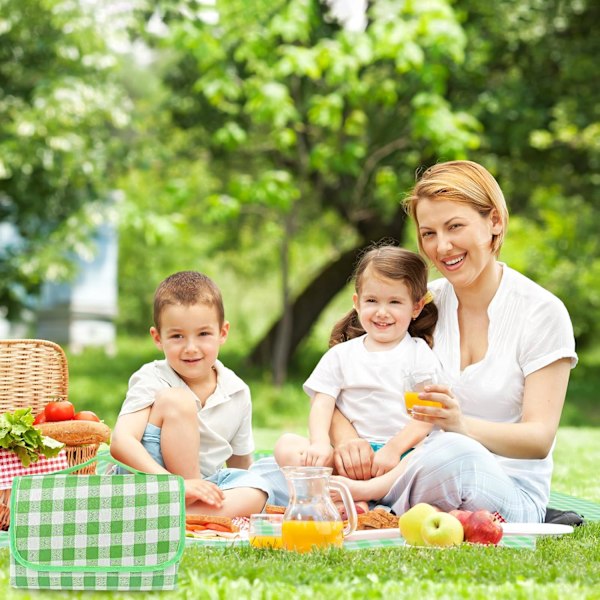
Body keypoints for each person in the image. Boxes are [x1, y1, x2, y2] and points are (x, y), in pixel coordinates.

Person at [330, 160, 577, 523]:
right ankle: (365, 500)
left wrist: (460, 426)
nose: (441, 247)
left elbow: (538, 439)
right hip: (403, 467)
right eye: (428, 233)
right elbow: (337, 374)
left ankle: (364, 499)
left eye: (455, 227)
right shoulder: (420, 304)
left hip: (504, 488)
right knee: (291, 457)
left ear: (494, 221)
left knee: (454, 453)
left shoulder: (541, 312)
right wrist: (348, 440)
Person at [273, 245, 441, 510]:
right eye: (372, 301)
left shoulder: (419, 354)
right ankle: (347, 499)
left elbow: (427, 415)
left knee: (434, 453)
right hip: (347, 458)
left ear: (416, 307)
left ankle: (359, 496)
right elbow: (322, 402)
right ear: (357, 302)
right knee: (287, 445)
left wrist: (394, 450)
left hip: (398, 458)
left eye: (395, 302)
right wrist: (319, 444)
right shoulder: (341, 355)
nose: (382, 312)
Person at [110, 271, 272, 517]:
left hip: (203, 485)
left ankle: (184, 515)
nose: (191, 348)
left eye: (203, 334)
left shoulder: (237, 391)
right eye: (177, 336)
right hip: (150, 481)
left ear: (223, 333)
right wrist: (177, 486)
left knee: (258, 489)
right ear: (157, 338)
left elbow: (240, 462)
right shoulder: (151, 377)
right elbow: (121, 442)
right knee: (177, 399)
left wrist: (244, 487)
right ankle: (175, 508)